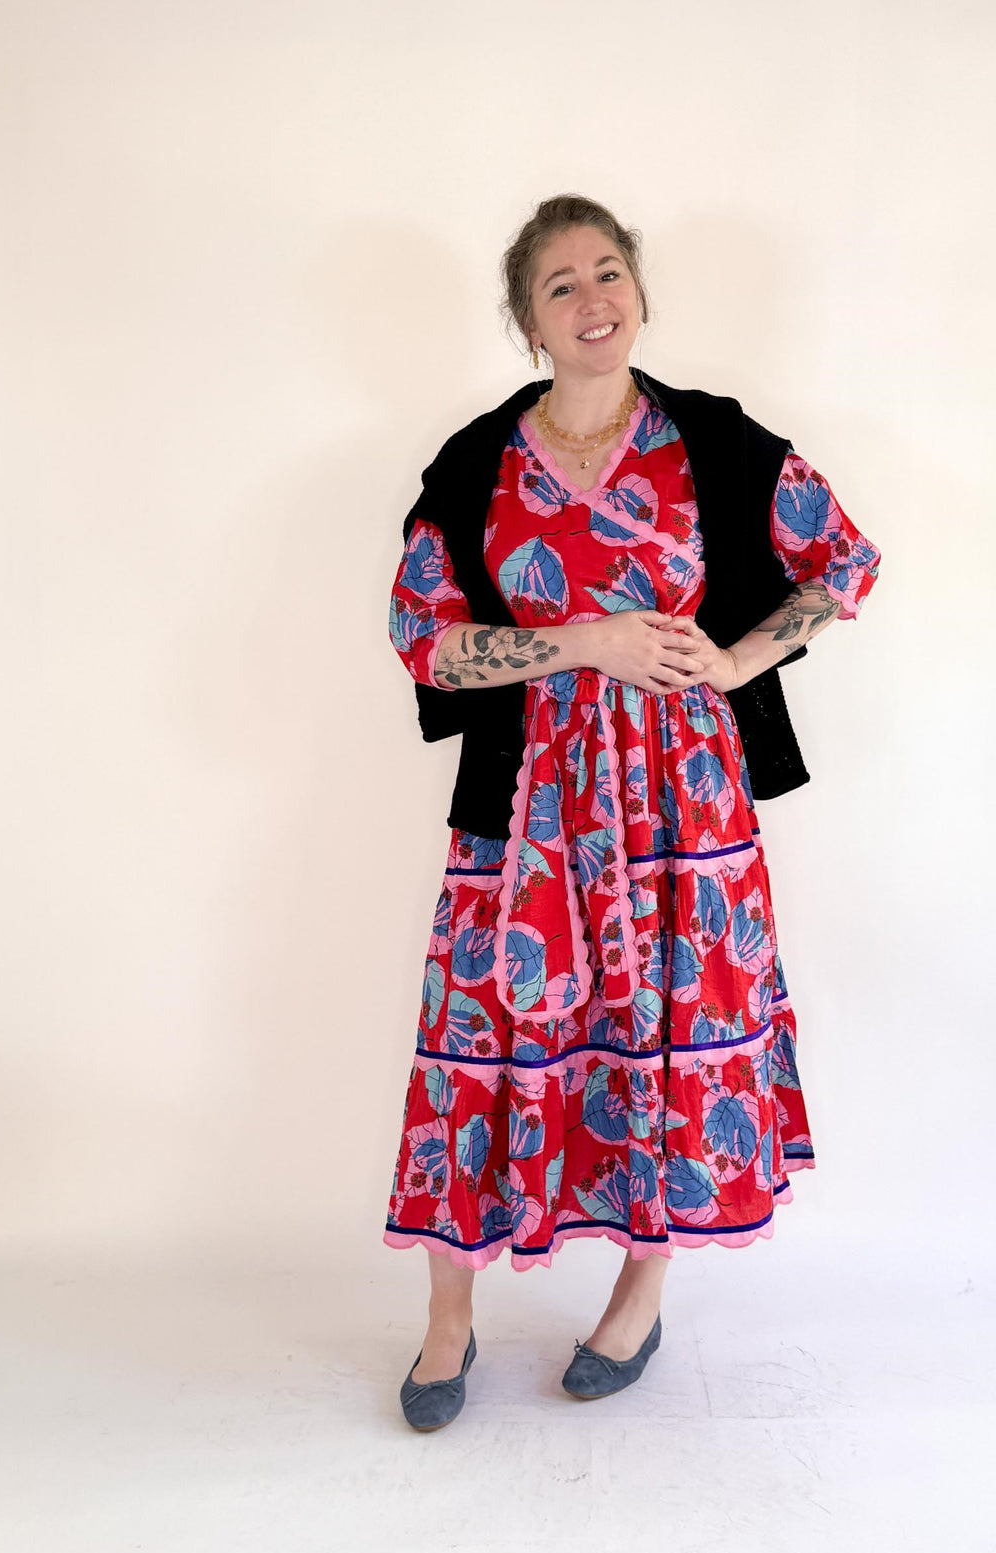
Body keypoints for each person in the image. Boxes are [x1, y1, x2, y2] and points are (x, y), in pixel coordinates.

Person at [385, 194, 881, 1428]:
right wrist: (584, 640)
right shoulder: (476, 462)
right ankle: (447, 1317)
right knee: (477, 1034)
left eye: (609, 272)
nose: (592, 299)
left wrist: (739, 657)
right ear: (528, 321)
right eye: (561, 284)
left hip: (682, 808)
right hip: (530, 807)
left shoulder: (712, 439)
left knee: (663, 1032)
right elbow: (424, 636)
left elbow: (844, 561)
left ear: (640, 293)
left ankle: (640, 1294)